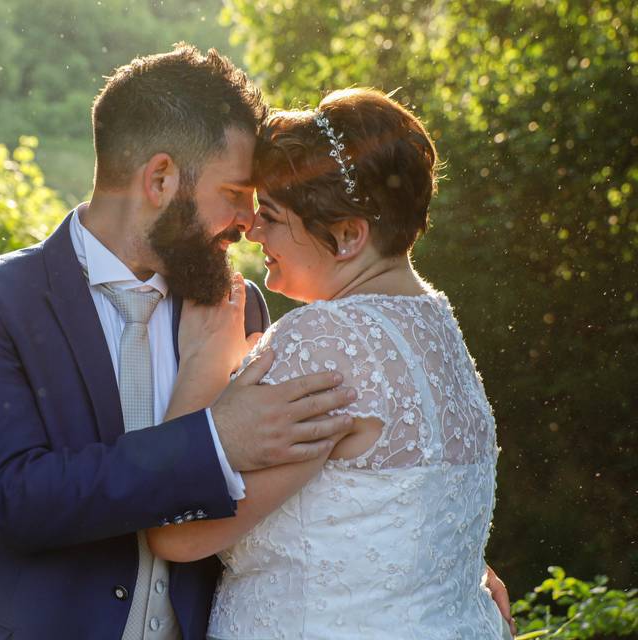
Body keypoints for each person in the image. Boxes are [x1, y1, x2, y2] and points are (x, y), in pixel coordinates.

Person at [0, 45, 358, 640]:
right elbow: (16, 500)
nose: (251, 221)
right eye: (235, 193)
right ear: (161, 178)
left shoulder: (235, 302)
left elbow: (291, 478)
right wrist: (215, 439)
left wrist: (434, 562)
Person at [147, 88, 515, 638]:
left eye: (271, 215)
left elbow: (177, 533)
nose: (252, 229)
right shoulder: (437, 324)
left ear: (347, 236)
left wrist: (203, 360)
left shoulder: (325, 340)